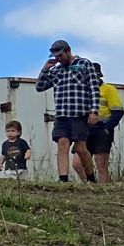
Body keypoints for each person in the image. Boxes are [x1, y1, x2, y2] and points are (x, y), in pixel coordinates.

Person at [36, 38, 103, 184]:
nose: (58, 59)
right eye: (56, 57)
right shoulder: (56, 70)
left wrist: (94, 111)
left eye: (60, 55)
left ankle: (90, 177)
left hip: (80, 113)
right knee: (62, 142)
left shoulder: (84, 64)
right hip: (62, 114)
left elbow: (94, 88)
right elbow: (40, 87)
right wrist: (45, 69)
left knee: (80, 147)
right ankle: (63, 179)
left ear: (68, 51)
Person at [90, 64, 124, 180]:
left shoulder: (108, 89)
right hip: (86, 130)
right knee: (77, 163)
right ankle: (91, 187)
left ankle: (103, 190)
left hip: (102, 129)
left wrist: (107, 128)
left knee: (101, 165)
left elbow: (118, 111)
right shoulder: (84, 91)